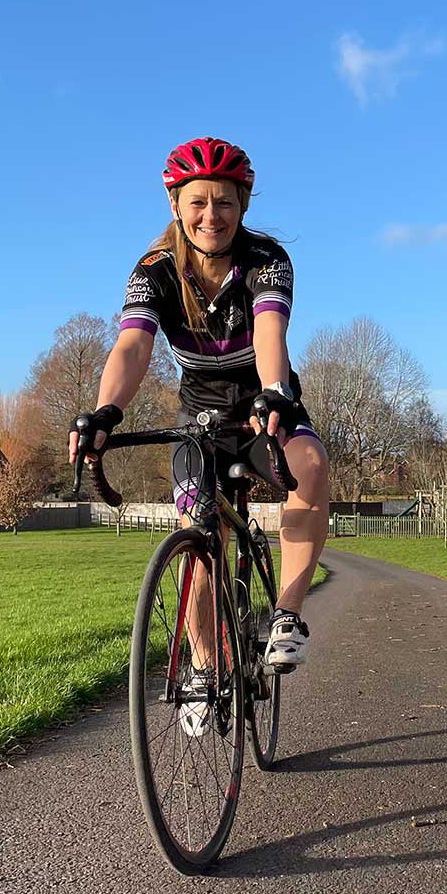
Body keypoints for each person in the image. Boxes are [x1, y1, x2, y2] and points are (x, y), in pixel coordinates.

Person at [69, 136, 329, 682]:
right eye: (199, 202)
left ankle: (287, 614)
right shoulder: (155, 269)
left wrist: (275, 389)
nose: (213, 215)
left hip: (264, 400)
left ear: (244, 205)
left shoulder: (267, 259)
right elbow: (133, 346)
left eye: (225, 202)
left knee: (310, 465)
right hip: (200, 417)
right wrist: (106, 411)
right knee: (198, 538)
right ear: (175, 205)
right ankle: (207, 672)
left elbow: (268, 329)